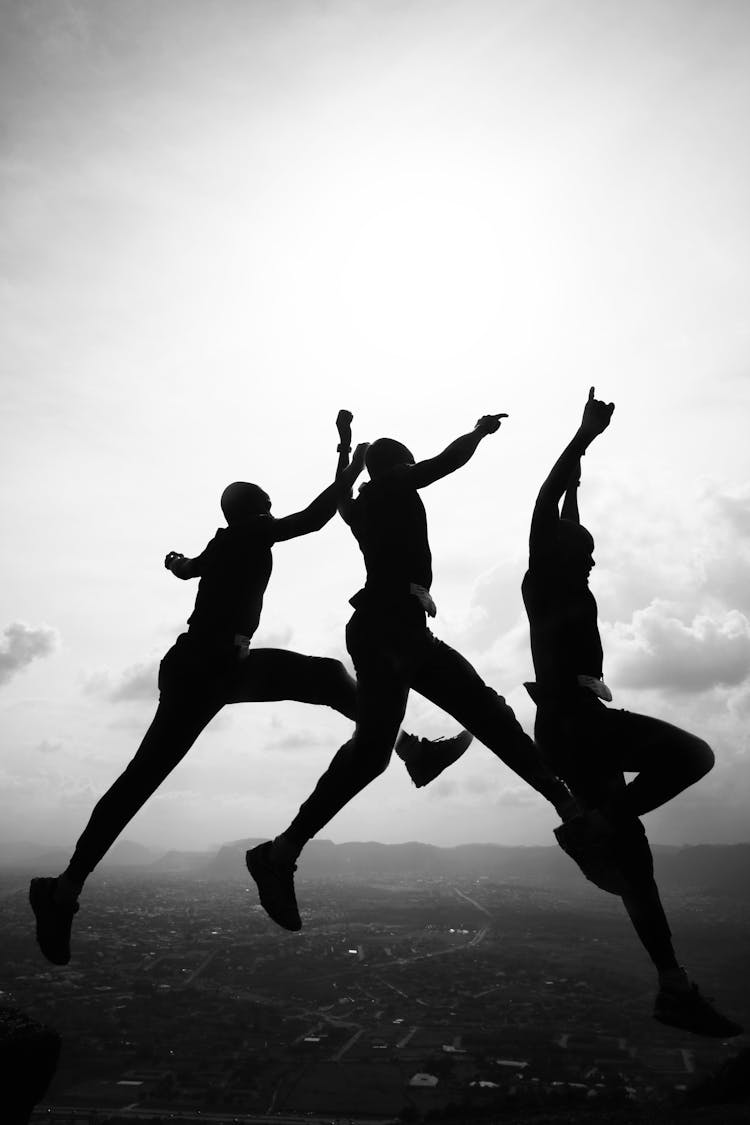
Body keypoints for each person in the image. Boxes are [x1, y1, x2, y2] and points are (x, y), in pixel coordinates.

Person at [29, 415, 466, 966]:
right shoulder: (254, 529)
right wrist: (347, 456)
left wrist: (178, 563)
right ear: (251, 506)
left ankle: (64, 890)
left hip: (210, 668)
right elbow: (313, 519)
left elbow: (189, 569)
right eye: (260, 496)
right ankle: (62, 890)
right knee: (318, 681)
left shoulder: (226, 539)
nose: (266, 498)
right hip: (205, 670)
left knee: (151, 773)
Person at [247, 413, 585, 932]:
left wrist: (344, 452)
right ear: (396, 466)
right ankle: (279, 853)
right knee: (399, 743)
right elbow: (447, 463)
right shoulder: (393, 484)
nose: (410, 470)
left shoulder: (359, 505)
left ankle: (564, 804)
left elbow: (341, 496)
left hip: (402, 630)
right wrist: (477, 432)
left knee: (473, 714)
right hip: (388, 630)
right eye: (405, 463)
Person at [521, 386, 743, 1038]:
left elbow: (564, 507)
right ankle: (595, 827)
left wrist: (578, 487)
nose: (593, 556)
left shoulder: (569, 570)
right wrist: (583, 436)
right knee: (692, 755)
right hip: (570, 720)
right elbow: (546, 503)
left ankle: (673, 985)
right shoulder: (542, 576)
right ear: (553, 551)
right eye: (580, 549)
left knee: (637, 865)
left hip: (577, 724)